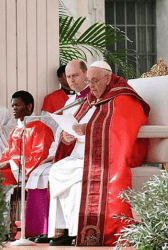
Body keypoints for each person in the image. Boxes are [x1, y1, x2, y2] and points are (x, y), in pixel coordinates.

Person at [50, 61, 150, 246]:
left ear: (108, 78)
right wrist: (68, 136)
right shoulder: (93, 99)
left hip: (114, 157)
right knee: (58, 169)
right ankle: (67, 230)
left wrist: (87, 130)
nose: (91, 86)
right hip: (90, 154)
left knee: (78, 173)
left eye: (95, 81)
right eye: (88, 81)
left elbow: (121, 130)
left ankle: (81, 231)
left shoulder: (125, 98)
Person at [47, 59, 94, 246]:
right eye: (68, 77)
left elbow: (102, 126)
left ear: (86, 74)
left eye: (75, 75)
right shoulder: (69, 101)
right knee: (57, 169)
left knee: (75, 181)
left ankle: (75, 231)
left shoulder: (96, 99)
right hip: (74, 152)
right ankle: (62, 229)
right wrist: (64, 138)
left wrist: (82, 133)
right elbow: (61, 130)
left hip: (90, 153)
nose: (71, 81)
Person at [0, 90, 54, 240]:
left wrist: (11, 162)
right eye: (12, 105)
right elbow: (6, 155)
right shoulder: (16, 130)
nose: (14, 108)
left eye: (17, 105)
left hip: (25, 173)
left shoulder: (41, 128)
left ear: (29, 106)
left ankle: (2, 229)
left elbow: (39, 157)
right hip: (13, 170)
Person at [40, 65, 75, 133]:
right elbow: (46, 121)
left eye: (73, 75)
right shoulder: (51, 98)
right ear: (60, 79)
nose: (71, 79)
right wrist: (67, 128)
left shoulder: (83, 95)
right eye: (67, 76)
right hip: (61, 136)